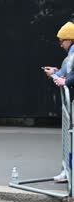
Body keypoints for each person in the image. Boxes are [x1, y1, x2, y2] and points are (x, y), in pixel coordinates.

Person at [43, 21, 74, 183]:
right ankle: (68, 171)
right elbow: (66, 73)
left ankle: (69, 173)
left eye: (62, 40)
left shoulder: (73, 55)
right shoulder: (70, 56)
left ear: (69, 39)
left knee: (71, 138)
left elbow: (67, 77)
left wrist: (65, 82)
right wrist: (55, 73)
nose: (60, 44)